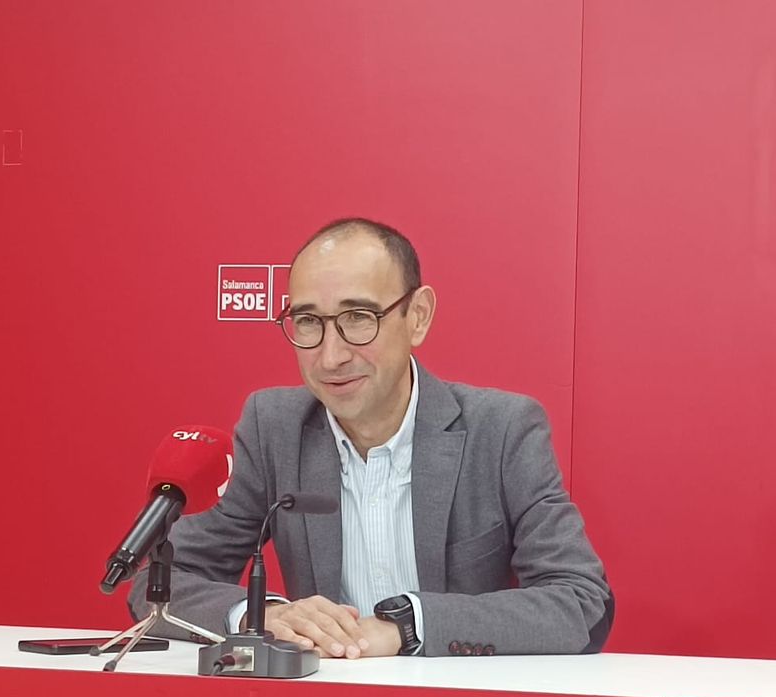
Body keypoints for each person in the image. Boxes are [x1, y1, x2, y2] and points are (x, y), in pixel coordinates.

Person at [129, 218, 613, 657]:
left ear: (417, 316)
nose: (330, 356)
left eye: (358, 318)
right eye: (307, 322)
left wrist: (409, 626)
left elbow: (580, 601)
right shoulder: (273, 426)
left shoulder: (502, 430)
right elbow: (158, 582)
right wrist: (265, 618)